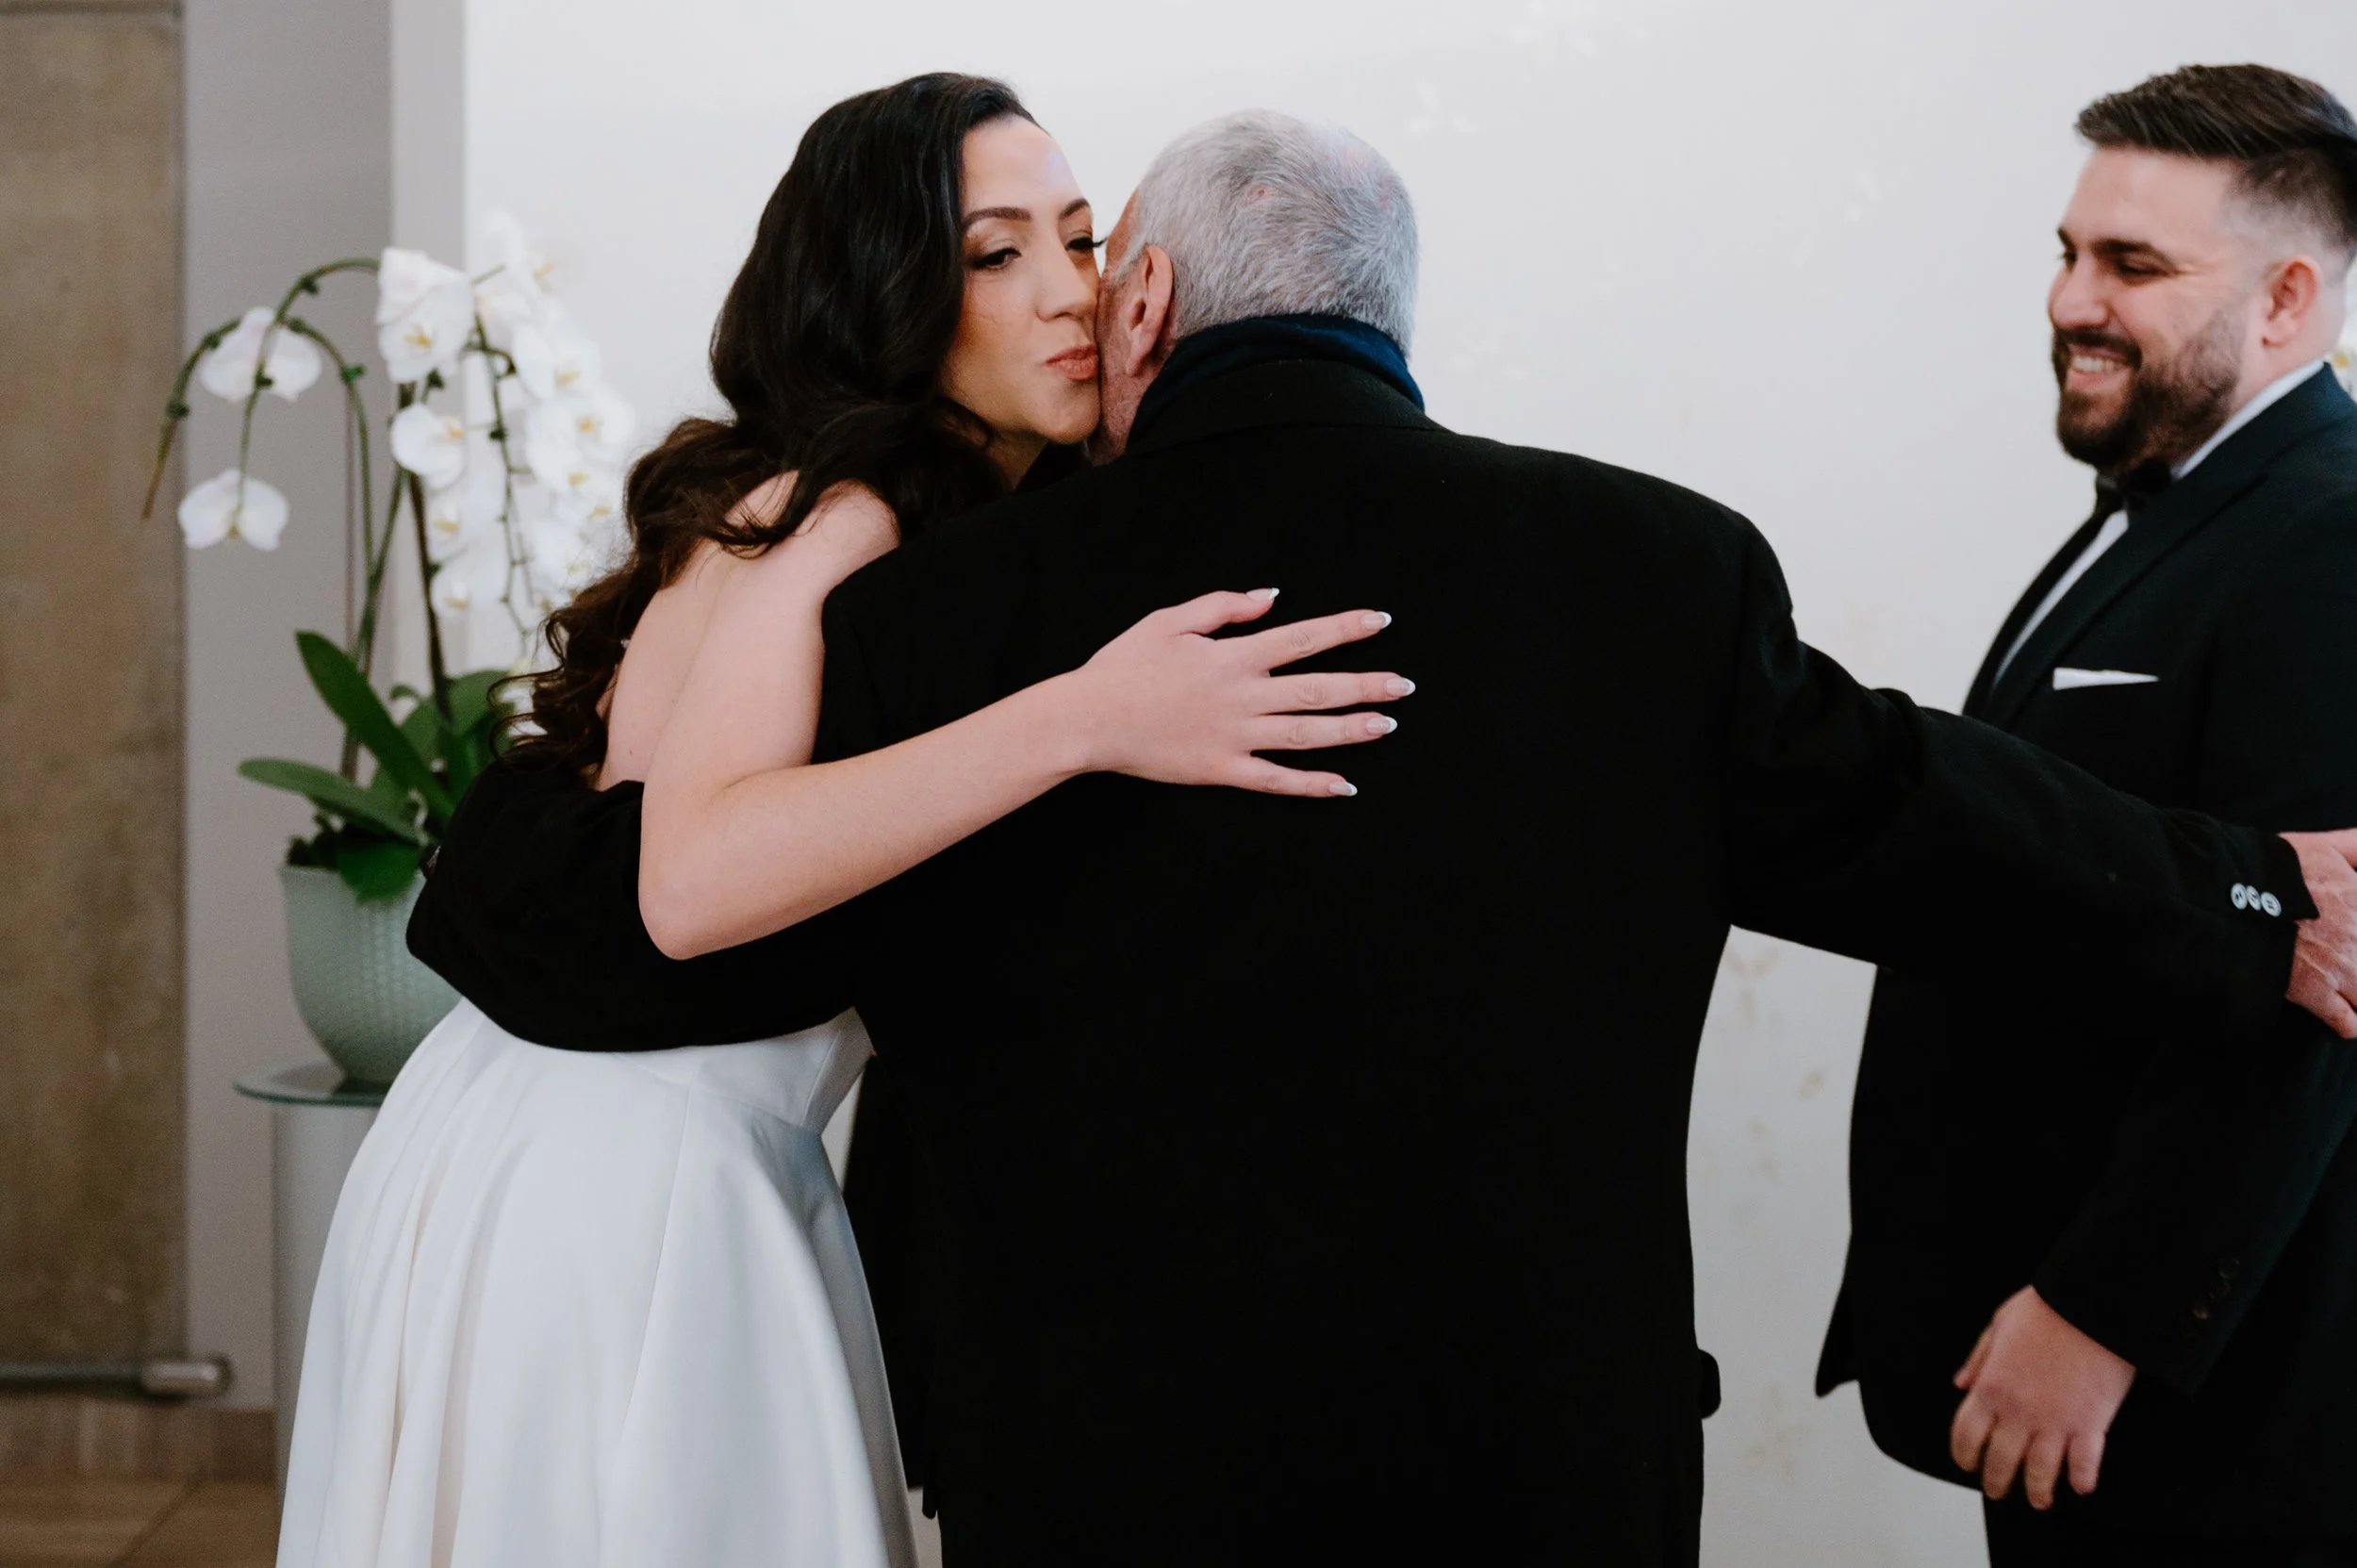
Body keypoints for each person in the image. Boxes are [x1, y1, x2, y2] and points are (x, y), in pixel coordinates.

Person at [408, 107, 2357, 1565]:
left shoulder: (942, 606)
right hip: (1532, 1472)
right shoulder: (1643, 570)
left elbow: (695, 906)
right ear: (1392, 318)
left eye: (1090, 253)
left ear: (1148, 297)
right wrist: (2252, 898)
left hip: (1087, 1470)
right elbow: (1918, 815)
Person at [272, 75, 1410, 1568]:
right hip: (614, 1173)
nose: (1070, 293)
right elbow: (692, 880)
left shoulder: (945, 520)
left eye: (1084, 242)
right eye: (997, 254)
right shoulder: (846, 505)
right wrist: (1091, 715)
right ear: (891, 291)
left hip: (633, 1136)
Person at [1815, 64, 2357, 1568]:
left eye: (2134, 265)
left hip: (2208, 1416)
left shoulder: (2327, 535)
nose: (2072, 301)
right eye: (2067, 252)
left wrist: (2108, 1315)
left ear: (2287, 299)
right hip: (2079, 1381)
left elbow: (2330, 985)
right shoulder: (2168, 504)